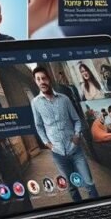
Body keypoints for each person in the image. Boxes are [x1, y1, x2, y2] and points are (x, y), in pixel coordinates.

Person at [30, 65, 99, 201]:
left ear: (49, 79)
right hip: (58, 153)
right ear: (36, 82)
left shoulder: (64, 99)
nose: (42, 81)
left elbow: (76, 120)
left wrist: (77, 136)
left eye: (44, 78)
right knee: (71, 187)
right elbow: (38, 126)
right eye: (38, 79)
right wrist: (48, 144)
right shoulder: (35, 103)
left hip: (75, 150)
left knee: (89, 182)